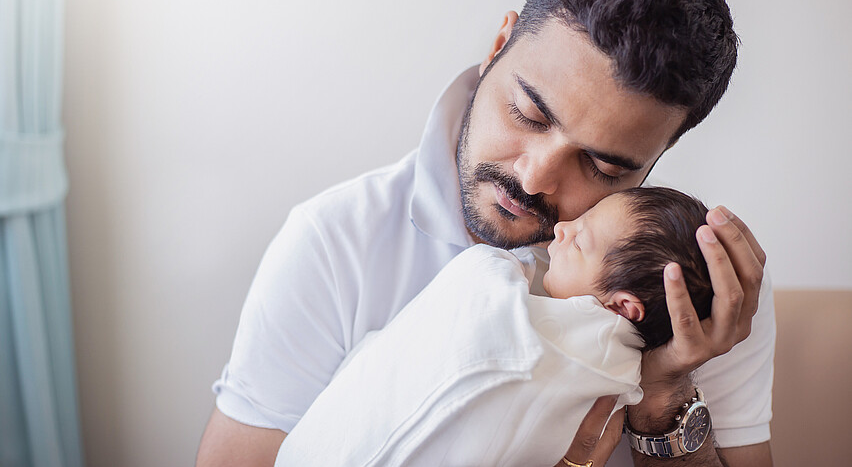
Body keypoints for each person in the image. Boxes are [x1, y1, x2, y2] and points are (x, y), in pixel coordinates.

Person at [196, 0, 774, 467]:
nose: (535, 177)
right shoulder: (334, 243)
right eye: (528, 114)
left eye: (600, 166)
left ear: (655, 158)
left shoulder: (694, 284)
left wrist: (664, 398)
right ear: (498, 47)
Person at [272, 187, 716, 467]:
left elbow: (485, 336)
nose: (562, 229)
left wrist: (497, 264)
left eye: (580, 239)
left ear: (622, 308)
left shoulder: (594, 348)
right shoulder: (330, 230)